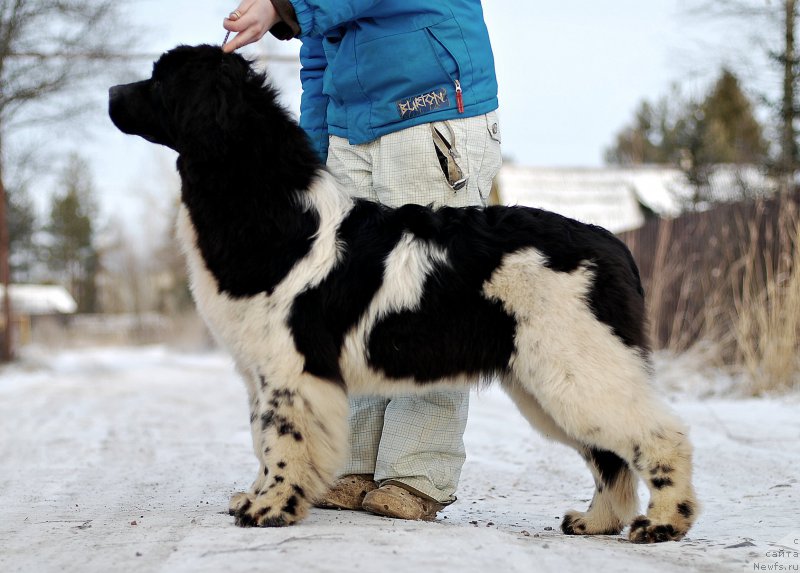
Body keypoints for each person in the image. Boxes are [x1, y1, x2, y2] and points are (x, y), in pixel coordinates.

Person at [223, 0, 501, 521]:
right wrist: (309, 154)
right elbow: (318, 52)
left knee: (432, 301)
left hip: (432, 107)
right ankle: (352, 464)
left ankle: (417, 471)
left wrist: (281, 6)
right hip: (353, 129)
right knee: (347, 303)